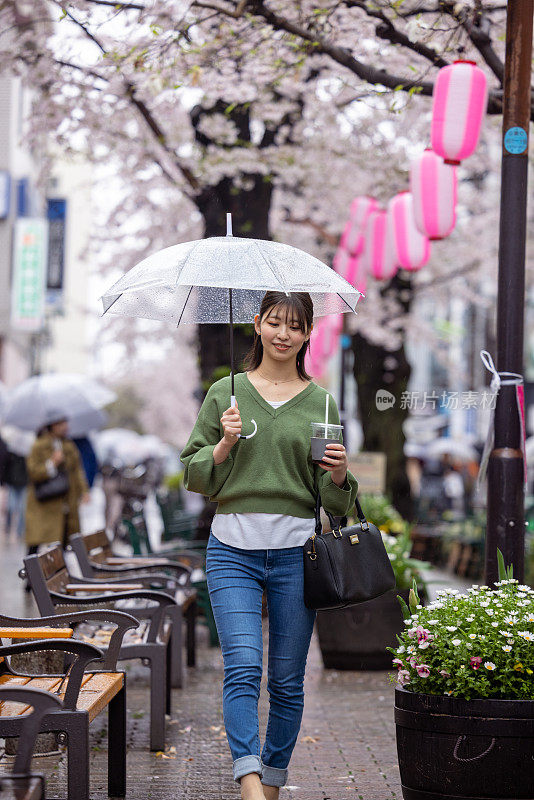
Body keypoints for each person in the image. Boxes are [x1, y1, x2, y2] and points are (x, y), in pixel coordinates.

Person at [180, 291, 358, 800]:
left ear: (306, 335)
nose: (284, 334)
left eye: (296, 326)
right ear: (256, 324)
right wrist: (224, 445)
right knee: (240, 665)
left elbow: (334, 501)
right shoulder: (224, 393)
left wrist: (341, 475)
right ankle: (250, 782)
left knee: (286, 680)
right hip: (232, 549)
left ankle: (273, 782)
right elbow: (194, 477)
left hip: (296, 557)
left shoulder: (321, 401)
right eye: (275, 322)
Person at [25, 410, 90, 560]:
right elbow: (33, 472)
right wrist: (52, 463)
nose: (65, 427)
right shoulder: (39, 445)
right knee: (36, 544)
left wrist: (84, 491)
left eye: (65, 423)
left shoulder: (68, 445)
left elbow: (77, 470)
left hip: (66, 501)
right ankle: (30, 580)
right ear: (51, 426)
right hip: (45, 502)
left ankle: (58, 579)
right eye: (60, 423)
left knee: (62, 542)